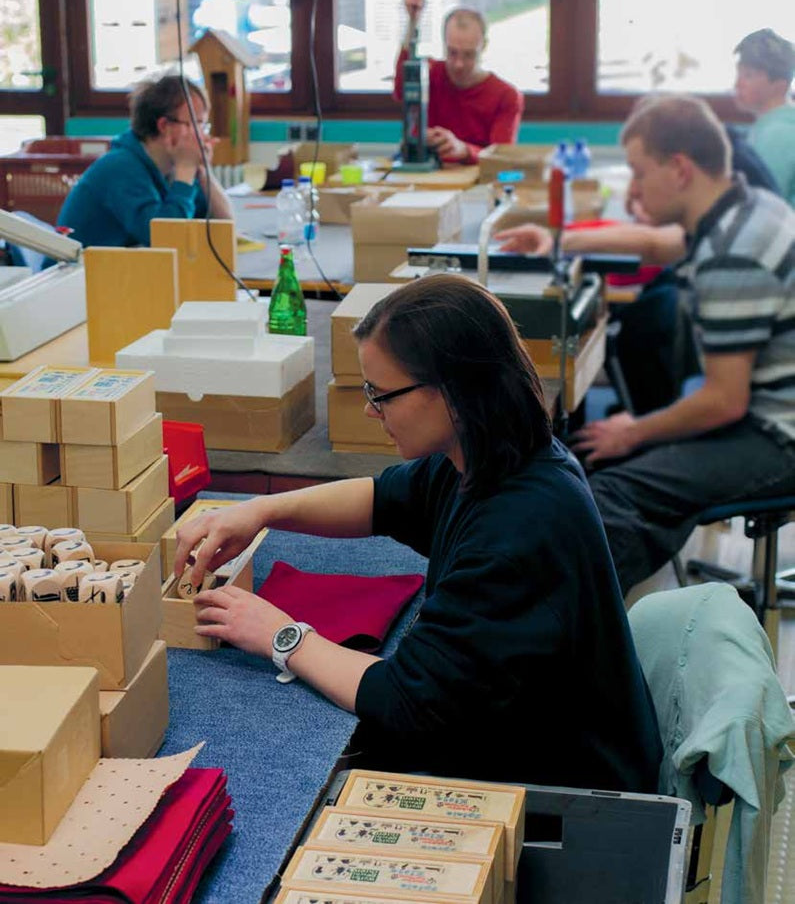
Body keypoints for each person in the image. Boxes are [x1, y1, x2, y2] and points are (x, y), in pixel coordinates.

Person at [173, 274, 662, 792]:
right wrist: (261, 512)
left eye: (381, 394)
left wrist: (280, 636)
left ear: (453, 390)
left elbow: (406, 700)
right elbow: (382, 500)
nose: (369, 409)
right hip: (523, 747)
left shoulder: (517, 531)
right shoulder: (489, 456)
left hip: (565, 796)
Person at [501, 95, 795, 595]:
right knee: (596, 457)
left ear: (679, 168)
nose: (632, 187)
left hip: (777, 437)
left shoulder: (733, 255)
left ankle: (557, 636)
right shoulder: (743, 208)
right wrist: (558, 238)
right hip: (763, 413)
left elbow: (725, 400)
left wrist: (634, 431)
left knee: (612, 492)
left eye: (638, 173)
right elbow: (657, 244)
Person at [57, 74, 233, 247]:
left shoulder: (169, 167)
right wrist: (186, 169)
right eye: (196, 124)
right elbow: (167, 240)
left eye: (204, 125)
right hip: (79, 274)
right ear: (164, 126)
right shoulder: (121, 168)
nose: (203, 135)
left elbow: (225, 225)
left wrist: (203, 171)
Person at [393, 0, 523, 164]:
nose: (458, 64)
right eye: (452, 53)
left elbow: (501, 159)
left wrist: (465, 150)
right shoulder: (429, 74)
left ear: (483, 46)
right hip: (426, 177)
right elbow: (400, 90)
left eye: (469, 54)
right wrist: (413, 21)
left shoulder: (506, 96)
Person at [734, 28, 795, 207]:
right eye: (739, 74)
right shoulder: (775, 125)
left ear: (780, 86)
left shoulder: (777, 133)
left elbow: (761, 206)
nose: (737, 84)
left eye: (748, 76)